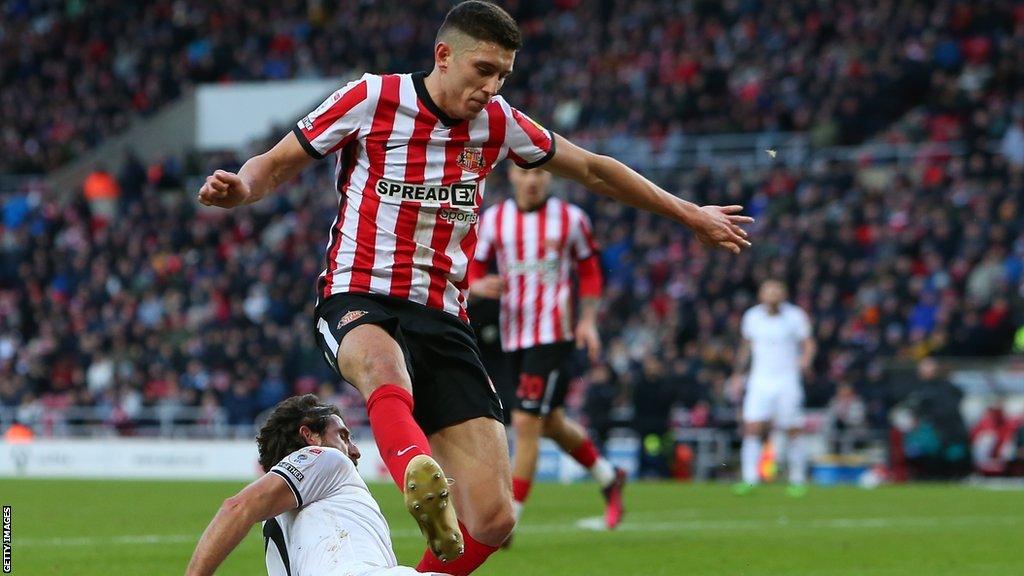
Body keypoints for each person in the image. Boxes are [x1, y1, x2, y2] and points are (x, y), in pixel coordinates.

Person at [197, 2, 752, 573]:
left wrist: (688, 213)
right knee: (380, 366)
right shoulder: (372, 98)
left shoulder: (500, 123)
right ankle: (417, 468)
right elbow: (279, 161)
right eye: (483, 70)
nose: (492, 87)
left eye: (503, 76)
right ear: (444, 55)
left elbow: (593, 169)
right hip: (357, 293)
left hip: (443, 314)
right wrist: (241, 188)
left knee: (493, 519)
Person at [468, 164, 626, 538]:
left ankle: (510, 520)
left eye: (540, 172)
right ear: (513, 176)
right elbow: (473, 264)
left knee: (525, 421)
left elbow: (589, 270)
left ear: (550, 177)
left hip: (554, 334)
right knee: (549, 422)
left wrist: (588, 320)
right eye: (525, 172)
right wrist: (476, 284)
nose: (533, 179)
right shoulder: (495, 219)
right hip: (511, 336)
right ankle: (609, 478)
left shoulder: (571, 219)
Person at [184, 394, 451, 576]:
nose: (355, 450)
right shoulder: (325, 457)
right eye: (343, 436)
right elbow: (236, 507)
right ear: (309, 435)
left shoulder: (275, 520)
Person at [731, 280, 815, 496]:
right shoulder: (752, 317)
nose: (773, 294)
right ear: (761, 294)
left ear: (784, 294)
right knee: (751, 427)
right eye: (768, 291)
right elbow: (746, 347)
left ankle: (797, 479)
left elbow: (808, 343)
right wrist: (738, 374)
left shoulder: (795, 316)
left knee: (792, 428)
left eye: (777, 291)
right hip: (759, 380)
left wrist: (805, 360)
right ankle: (750, 479)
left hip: (787, 379)